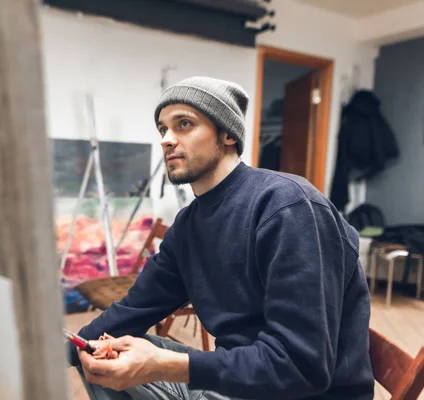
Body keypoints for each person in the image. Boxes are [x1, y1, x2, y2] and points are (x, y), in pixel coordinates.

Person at [68, 77, 374, 400]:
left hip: (301, 393)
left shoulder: (287, 207)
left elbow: (302, 366)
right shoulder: (189, 226)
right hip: (237, 383)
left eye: (184, 124)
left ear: (228, 134)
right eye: (162, 129)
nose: (167, 140)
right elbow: (133, 309)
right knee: (102, 353)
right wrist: (61, 348)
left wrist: (165, 366)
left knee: (136, 359)